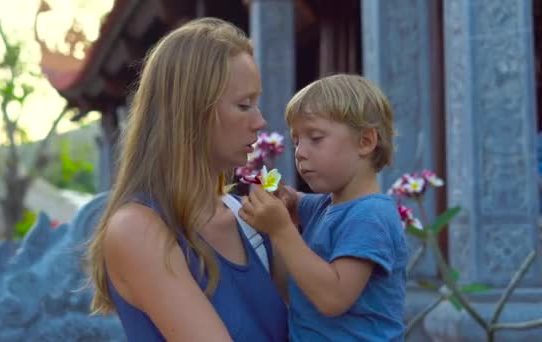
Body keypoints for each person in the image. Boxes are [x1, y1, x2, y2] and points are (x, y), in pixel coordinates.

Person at [87, 18, 288, 342]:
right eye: (243, 105)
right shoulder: (138, 229)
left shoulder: (252, 218)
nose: (260, 121)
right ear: (192, 110)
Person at [239, 74, 409, 341]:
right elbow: (294, 203)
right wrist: (280, 198)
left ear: (365, 141)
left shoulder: (370, 215)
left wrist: (281, 229)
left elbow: (333, 298)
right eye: (296, 141)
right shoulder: (325, 206)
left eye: (315, 138)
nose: (299, 152)